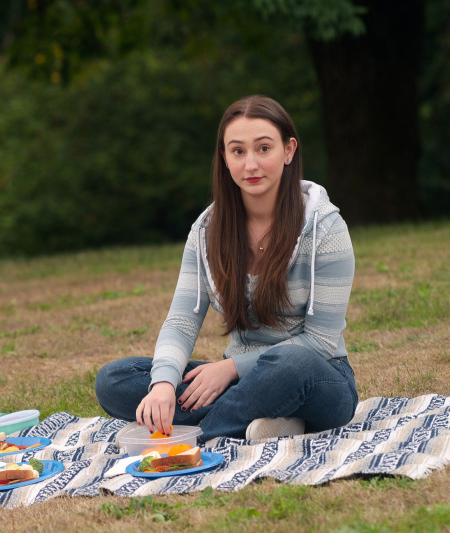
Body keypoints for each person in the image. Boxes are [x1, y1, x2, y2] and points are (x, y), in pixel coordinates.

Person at [95, 95, 358, 443]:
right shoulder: (206, 231)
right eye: (238, 151)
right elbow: (181, 321)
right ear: (224, 157)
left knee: (290, 363)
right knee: (114, 379)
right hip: (239, 382)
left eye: (263, 148)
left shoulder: (325, 228)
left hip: (319, 378)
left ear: (289, 150)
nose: (251, 164)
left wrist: (230, 369)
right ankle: (259, 420)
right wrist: (162, 385)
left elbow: (321, 343)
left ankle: (194, 435)